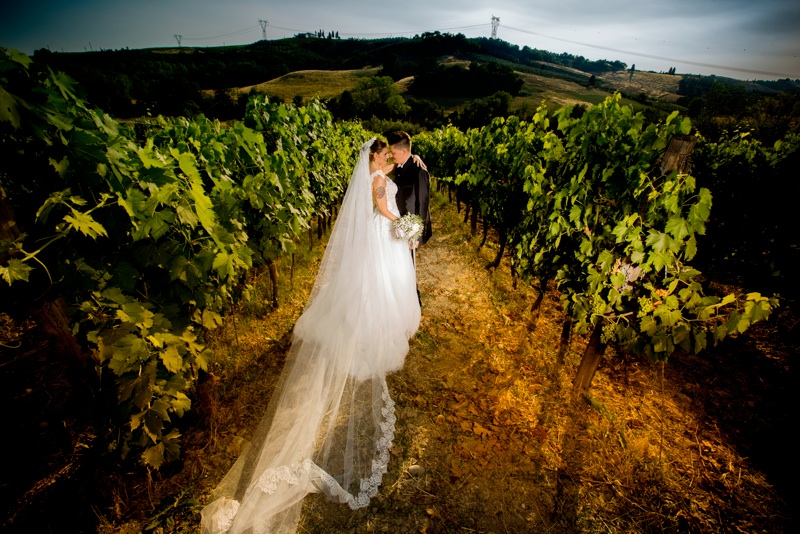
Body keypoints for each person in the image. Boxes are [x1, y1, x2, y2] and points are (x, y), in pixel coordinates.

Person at [200, 138, 421, 534]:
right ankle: (369, 333)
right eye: (384, 153)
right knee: (375, 291)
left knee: (373, 288)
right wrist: (402, 224)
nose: (388, 158)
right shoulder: (375, 180)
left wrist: (409, 163)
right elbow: (384, 206)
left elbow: (388, 178)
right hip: (382, 234)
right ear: (374, 156)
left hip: (376, 239)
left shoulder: (374, 173)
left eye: (390, 154)